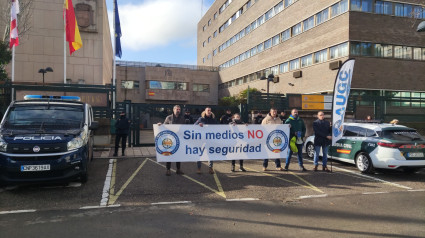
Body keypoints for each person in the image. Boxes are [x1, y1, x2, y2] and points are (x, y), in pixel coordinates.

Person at [159, 105, 186, 176]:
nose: (178, 110)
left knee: (178, 155)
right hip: (170, 139)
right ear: (173, 110)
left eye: (179, 109)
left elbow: (185, 128)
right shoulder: (169, 118)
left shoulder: (182, 118)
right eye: (177, 109)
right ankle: (168, 170)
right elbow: (164, 126)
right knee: (169, 154)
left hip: (179, 139)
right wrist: (160, 125)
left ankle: (178, 169)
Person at [195, 107, 217, 174]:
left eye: (210, 110)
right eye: (208, 110)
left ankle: (210, 168)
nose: (209, 111)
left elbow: (219, 127)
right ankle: (199, 168)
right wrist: (198, 124)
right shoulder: (201, 119)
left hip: (210, 139)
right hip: (201, 139)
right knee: (199, 153)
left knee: (210, 153)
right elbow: (194, 125)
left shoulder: (213, 119)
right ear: (205, 111)